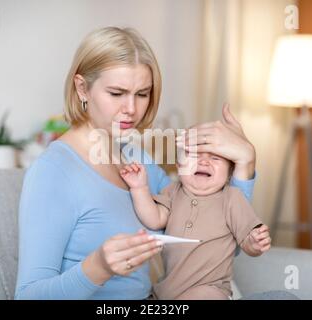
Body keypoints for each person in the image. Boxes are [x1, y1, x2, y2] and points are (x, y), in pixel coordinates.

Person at [14, 26, 257, 300]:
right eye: (117, 93)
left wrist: (245, 163)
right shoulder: (53, 172)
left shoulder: (137, 158)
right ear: (82, 88)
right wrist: (99, 267)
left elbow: (221, 239)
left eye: (142, 94)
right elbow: (28, 295)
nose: (131, 108)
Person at [119, 150, 271, 300]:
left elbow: (247, 239)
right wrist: (139, 188)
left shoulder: (231, 197)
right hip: (166, 291)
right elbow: (154, 219)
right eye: (194, 155)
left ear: (229, 172)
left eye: (215, 158)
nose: (203, 161)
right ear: (179, 166)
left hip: (211, 289)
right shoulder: (172, 191)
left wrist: (255, 242)